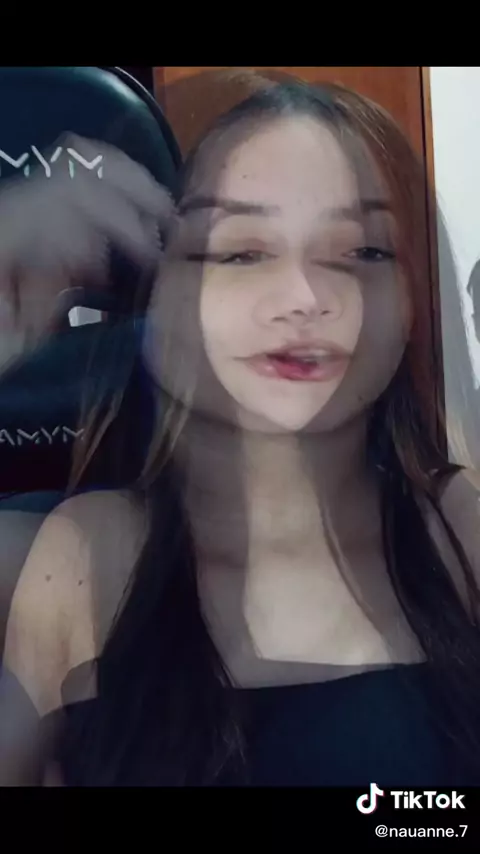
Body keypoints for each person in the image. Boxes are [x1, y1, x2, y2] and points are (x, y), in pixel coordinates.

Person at [2, 74, 480, 787]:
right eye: (241, 251)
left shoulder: (460, 534)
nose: (304, 296)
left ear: (411, 301)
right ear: (161, 294)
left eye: (361, 251)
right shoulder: (78, 557)